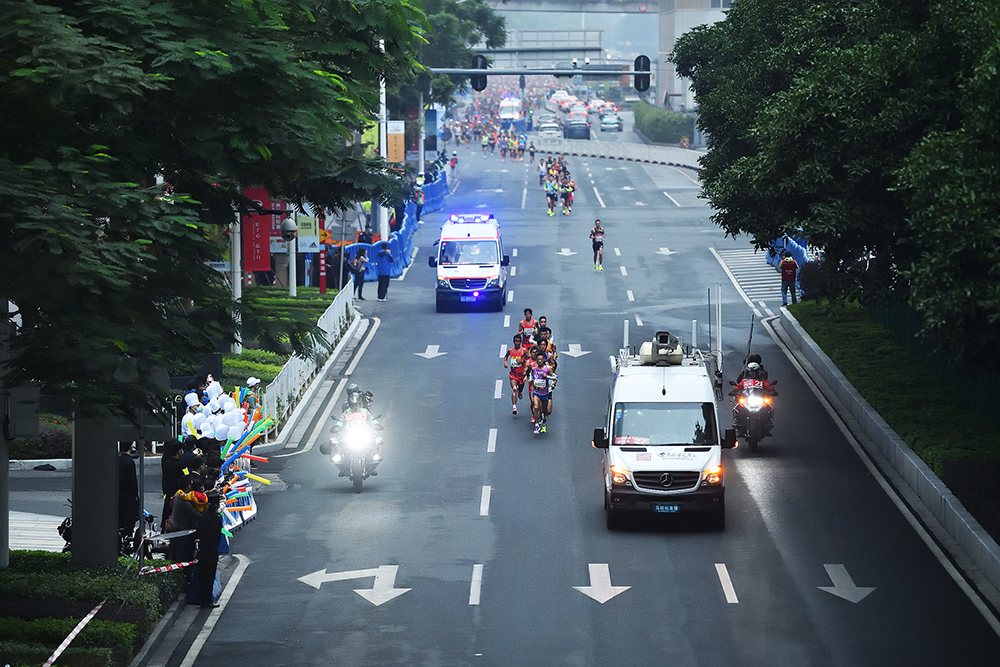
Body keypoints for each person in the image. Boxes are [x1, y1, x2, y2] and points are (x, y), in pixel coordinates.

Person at [196, 492, 223, 608]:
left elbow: (198, 532)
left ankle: (202, 599)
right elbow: (215, 534)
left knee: (202, 574)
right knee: (209, 574)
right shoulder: (216, 518)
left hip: (203, 548)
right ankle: (207, 600)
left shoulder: (203, 516)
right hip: (211, 548)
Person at [118, 441, 139, 547]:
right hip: (128, 496)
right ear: (131, 447)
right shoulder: (130, 462)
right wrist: (136, 496)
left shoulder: (117, 461)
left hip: (118, 495)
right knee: (129, 520)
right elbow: (132, 481)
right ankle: (127, 541)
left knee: (120, 519)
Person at [160, 441, 183, 531]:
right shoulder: (180, 465)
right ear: (178, 451)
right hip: (177, 494)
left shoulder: (166, 463)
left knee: (167, 513)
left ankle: (164, 527)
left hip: (168, 492)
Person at [504, 333, 529, 415]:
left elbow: (530, 359)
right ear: (513, 341)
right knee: (514, 389)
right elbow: (506, 356)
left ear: (521, 342)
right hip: (513, 374)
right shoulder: (510, 350)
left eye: (518, 341)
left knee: (520, 388)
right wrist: (505, 362)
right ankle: (514, 407)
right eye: (516, 341)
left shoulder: (524, 350)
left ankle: (520, 392)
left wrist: (522, 361)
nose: (517, 343)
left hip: (522, 374)